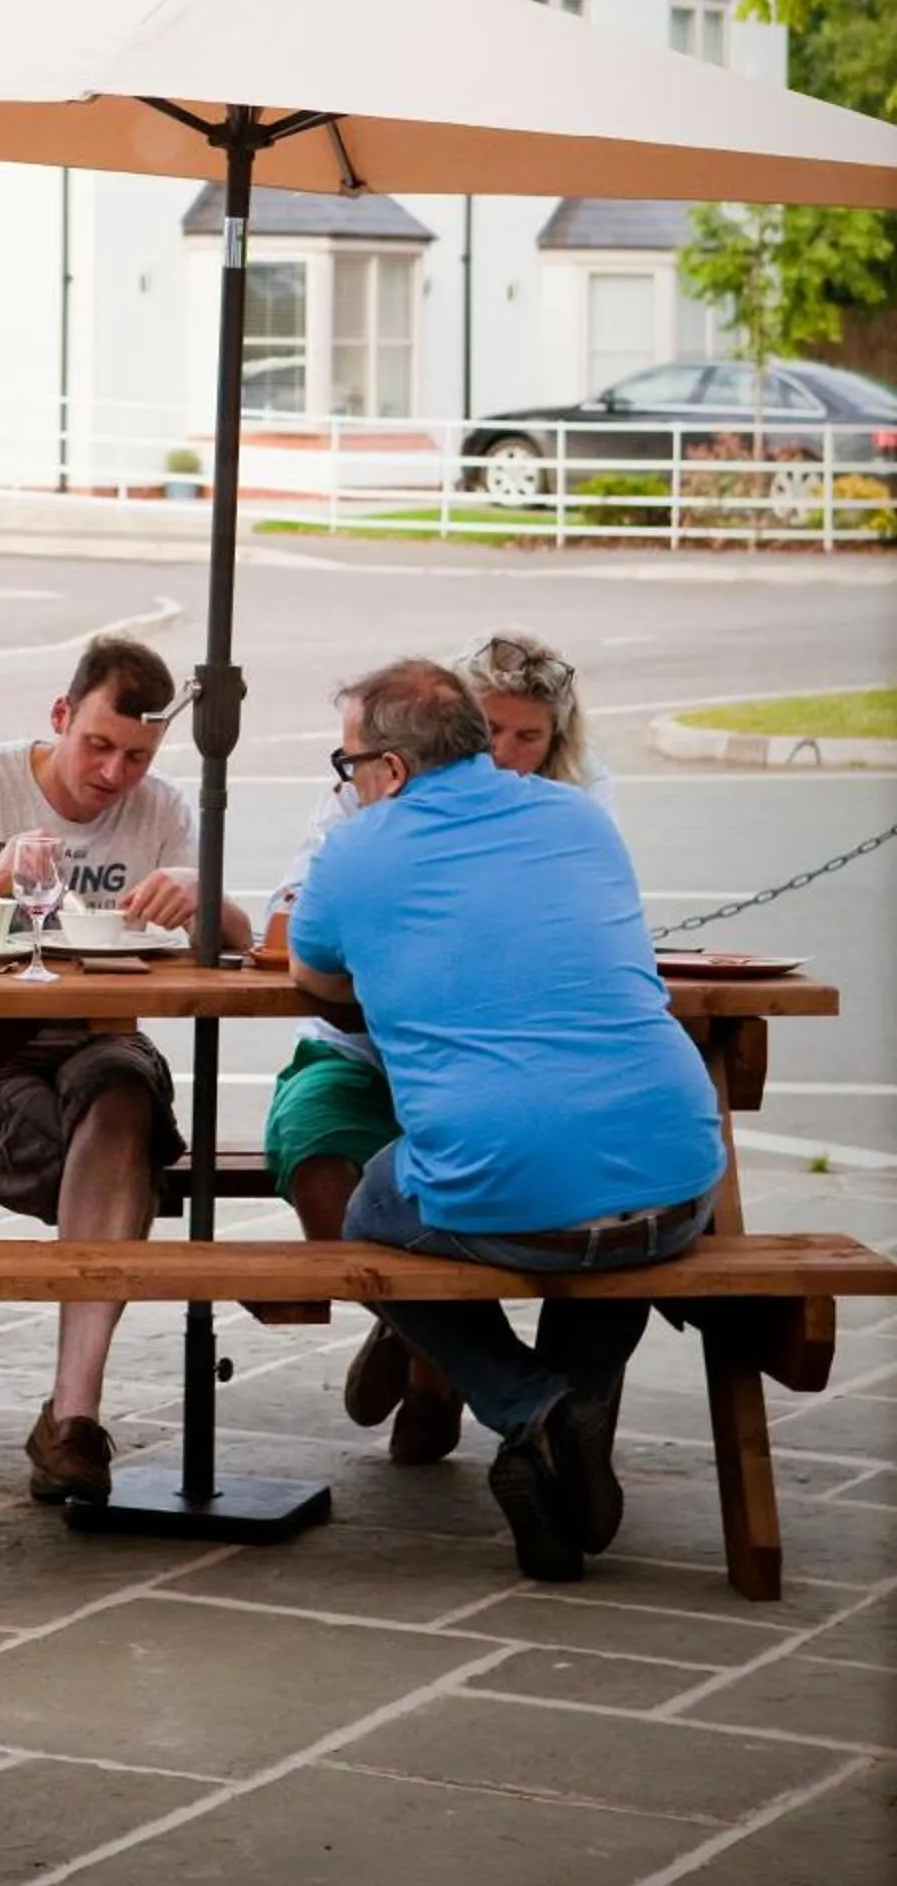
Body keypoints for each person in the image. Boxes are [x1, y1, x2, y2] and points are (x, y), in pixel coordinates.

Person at [288, 658, 724, 1582]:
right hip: (683, 1183)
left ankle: (530, 1405)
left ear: (393, 770)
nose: (349, 779)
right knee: (612, 1204)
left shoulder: (357, 849)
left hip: (508, 1192)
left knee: (372, 1216)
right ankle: (576, 1426)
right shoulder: (578, 818)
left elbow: (316, 981)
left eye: (351, 760)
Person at [0, 633, 252, 1507]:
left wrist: (205, 898)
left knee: (121, 1097)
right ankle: (76, 1389)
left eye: (138, 757)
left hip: (96, 1033)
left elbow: (245, 943)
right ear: (62, 716)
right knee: (104, 1153)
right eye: (98, 745)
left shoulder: (168, 811)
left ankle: (74, 1416)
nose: (114, 774)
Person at [259, 627, 609, 1467]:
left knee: (397, 1201)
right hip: (656, 1160)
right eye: (490, 734)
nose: (504, 755)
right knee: (321, 1153)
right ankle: (433, 1348)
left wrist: (388, 952)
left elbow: (314, 960)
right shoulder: (567, 822)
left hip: (491, 1090)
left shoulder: (565, 809)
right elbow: (288, 915)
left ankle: (488, 1383)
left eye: (529, 738)